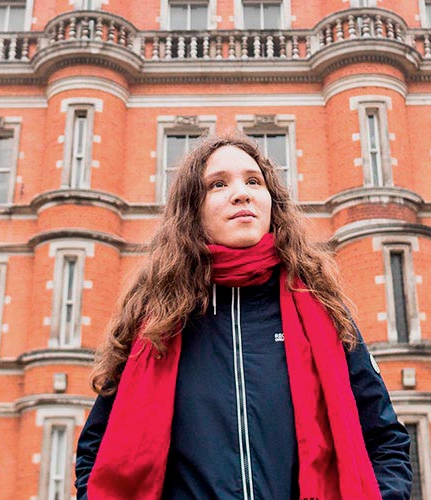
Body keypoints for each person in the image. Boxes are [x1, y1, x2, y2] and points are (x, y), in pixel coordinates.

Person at [74, 134, 413, 500]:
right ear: (192, 209)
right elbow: (98, 452)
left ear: (271, 202)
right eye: (218, 184)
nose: (241, 194)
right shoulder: (155, 321)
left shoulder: (322, 309)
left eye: (254, 181)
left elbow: (385, 440)